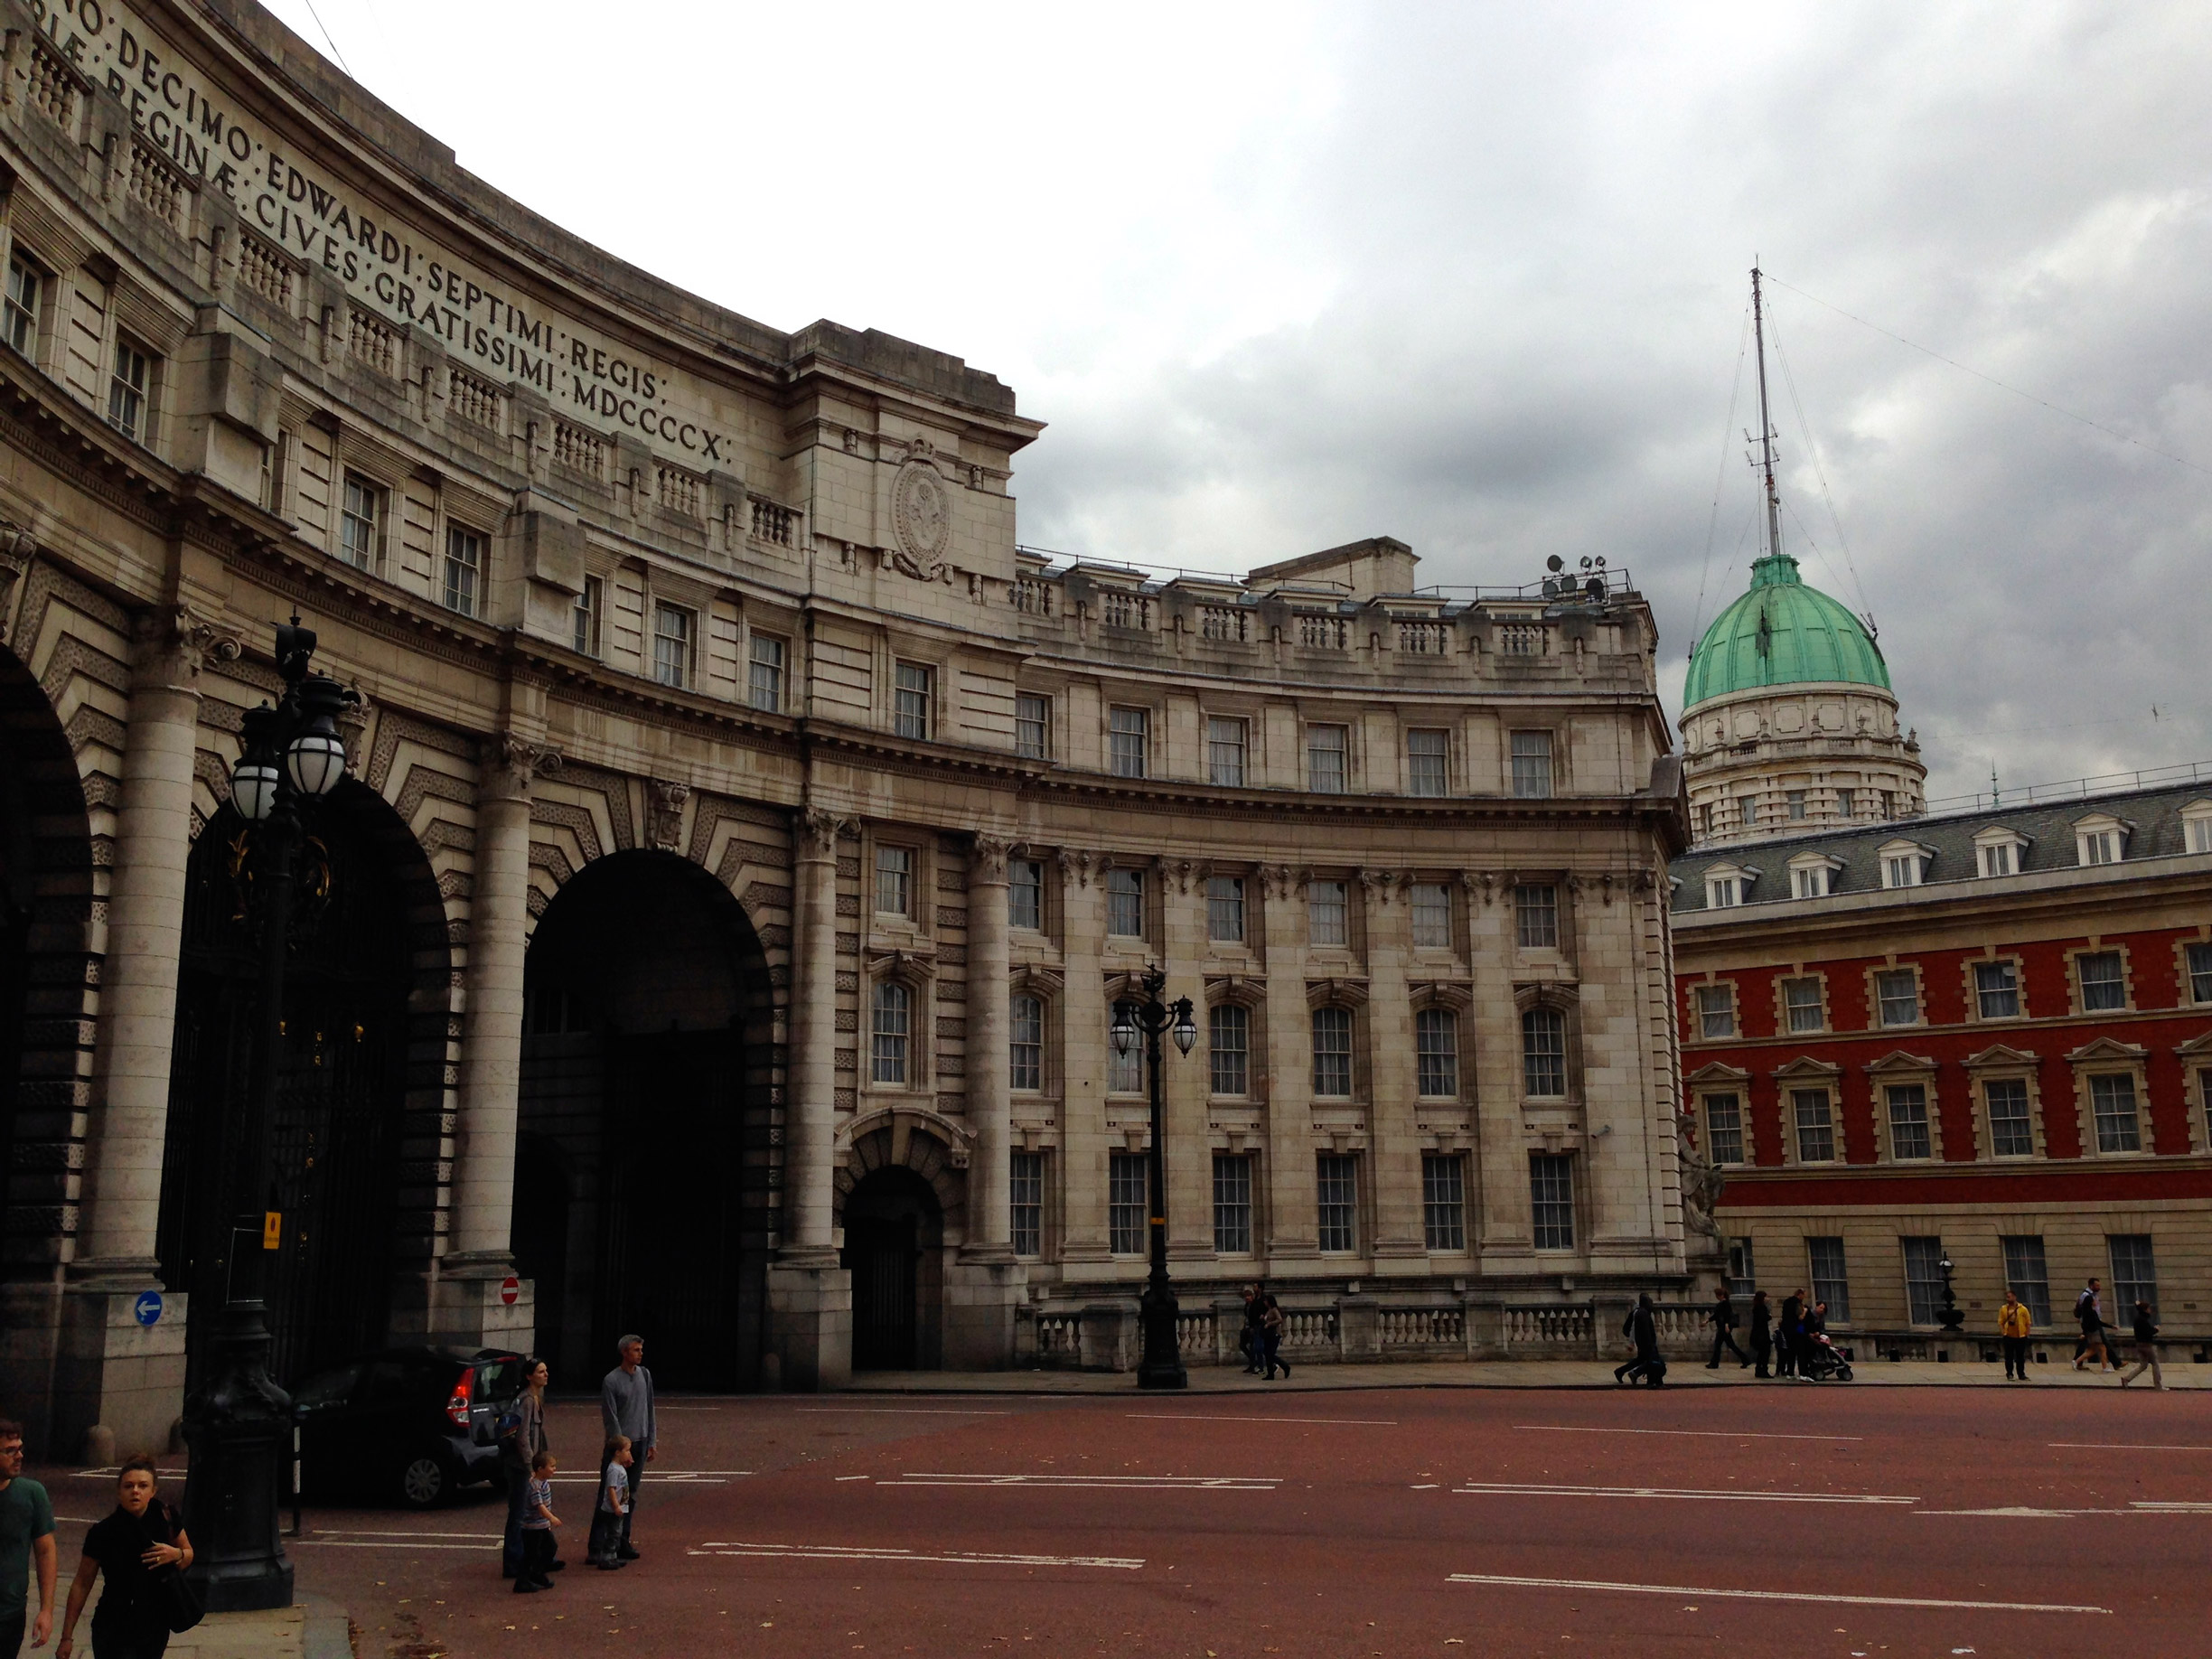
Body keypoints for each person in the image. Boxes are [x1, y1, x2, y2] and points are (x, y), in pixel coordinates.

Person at [54, 1454, 192, 1659]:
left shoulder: (167, 1518)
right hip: (112, 1624)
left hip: (154, 1623)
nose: (135, 1491)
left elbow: (189, 1553)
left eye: (143, 1486)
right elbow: (82, 1583)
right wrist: (67, 1636)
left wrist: (176, 1554)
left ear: (153, 1491)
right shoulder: (103, 1532)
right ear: (119, 1492)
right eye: (128, 1486)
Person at [0, 1420, 56, 1659]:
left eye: (20, 1448)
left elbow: (45, 1552)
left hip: (9, 1616)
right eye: (10, 1450)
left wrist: (46, 1610)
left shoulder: (32, 1493)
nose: (19, 1455)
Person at [600, 1335, 656, 1561]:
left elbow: (649, 1408)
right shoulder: (611, 1380)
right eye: (635, 1350)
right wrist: (620, 1448)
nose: (640, 1353)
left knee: (630, 1496)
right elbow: (610, 1417)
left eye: (641, 1349)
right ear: (624, 1352)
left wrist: (652, 1440)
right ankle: (599, 1545)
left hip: (640, 1441)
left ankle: (622, 1540)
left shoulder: (645, 1375)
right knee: (610, 1494)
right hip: (621, 1446)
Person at [501, 1357, 555, 1581]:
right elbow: (523, 1436)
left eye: (545, 1370)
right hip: (521, 1464)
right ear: (529, 1376)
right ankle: (514, 1562)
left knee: (527, 1511)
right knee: (520, 1513)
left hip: (525, 1462)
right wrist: (530, 1465)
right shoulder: (526, 1401)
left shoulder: (535, 1396)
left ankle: (534, 1558)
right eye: (541, 1371)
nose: (545, 1374)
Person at [514, 1451, 560, 1594]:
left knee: (550, 1548)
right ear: (540, 1469)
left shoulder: (543, 1483)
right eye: (551, 1466)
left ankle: (537, 1573)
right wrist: (551, 1518)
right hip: (532, 1528)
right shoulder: (535, 1487)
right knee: (530, 1554)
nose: (554, 1469)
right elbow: (539, 1506)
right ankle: (522, 1581)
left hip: (541, 1526)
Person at [589, 1437, 634, 1570]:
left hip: (619, 1506)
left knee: (616, 1533)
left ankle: (612, 1556)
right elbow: (611, 1489)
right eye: (627, 1451)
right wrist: (616, 1506)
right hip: (613, 1509)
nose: (629, 1454)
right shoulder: (614, 1470)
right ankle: (607, 1558)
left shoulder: (618, 1467)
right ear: (617, 1452)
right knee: (613, 1533)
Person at [1615, 1293, 1663, 1386]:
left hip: (1644, 1342)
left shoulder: (1642, 1312)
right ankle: (1640, 1376)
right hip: (1644, 1342)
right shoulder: (1639, 1313)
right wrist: (1631, 1343)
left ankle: (1620, 1371)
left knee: (1641, 1360)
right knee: (1652, 1361)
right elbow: (1634, 1328)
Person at [2120, 1300, 2164, 1391]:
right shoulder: (2143, 1320)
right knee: (2155, 1364)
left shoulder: (2138, 1319)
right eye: (2148, 1308)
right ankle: (2158, 1386)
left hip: (2139, 1344)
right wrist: (2156, 1330)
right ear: (2145, 1310)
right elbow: (2148, 1333)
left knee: (2143, 1365)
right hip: (2147, 1345)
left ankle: (2127, 1379)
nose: (2150, 1310)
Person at [2073, 1279, 2114, 1373]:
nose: (2096, 1302)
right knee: (2102, 1348)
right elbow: (2088, 1322)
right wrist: (2084, 1333)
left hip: (2092, 1330)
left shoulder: (2091, 1311)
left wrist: (2111, 1326)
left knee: (2092, 1350)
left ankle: (2076, 1361)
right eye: (2097, 1285)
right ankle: (2105, 1368)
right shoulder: (2087, 1301)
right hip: (2094, 1331)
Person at [1705, 1285, 1748, 1370]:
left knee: (1719, 1345)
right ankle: (1745, 1359)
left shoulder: (1725, 1304)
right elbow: (1717, 1316)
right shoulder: (1722, 1304)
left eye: (1717, 1295)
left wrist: (1727, 1325)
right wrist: (1707, 1321)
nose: (1716, 1297)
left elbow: (1727, 1315)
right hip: (1723, 1327)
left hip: (1723, 1327)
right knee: (1729, 1345)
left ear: (1721, 1295)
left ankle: (1714, 1363)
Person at [1998, 1290, 2033, 1382]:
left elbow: (2028, 1322)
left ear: (2015, 1297)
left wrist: (2026, 1334)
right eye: (2007, 1297)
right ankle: (2009, 1373)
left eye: (2009, 1297)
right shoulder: (2004, 1309)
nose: (2008, 1299)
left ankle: (2021, 1374)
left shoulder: (2023, 1309)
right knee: (2009, 1356)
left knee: (2020, 1357)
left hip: (2020, 1336)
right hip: (2008, 1336)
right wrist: (2003, 1333)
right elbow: (2000, 1322)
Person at [1261, 1294, 1291, 1381]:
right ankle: (1270, 1374)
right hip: (1268, 1334)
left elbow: (1279, 1319)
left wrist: (1269, 1324)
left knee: (1270, 1354)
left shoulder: (1274, 1310)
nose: (1264, 1302)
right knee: (1267, 1354)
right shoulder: (1268, 1310)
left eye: (1266, 1301)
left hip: (1274, 1334)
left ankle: (1285, 1366)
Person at [1239, 1285, 1266, 1375]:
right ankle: (1253, 1362)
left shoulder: (1255, 1305)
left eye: (1248, 1296)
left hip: (1253, 1328)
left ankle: (1254, 1364)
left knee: (1253, 1346)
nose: (1247, 1298)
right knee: (1242, 1345)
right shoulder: (1247, 1306)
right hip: (1247, 1327)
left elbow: (1255, 1317)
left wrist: (1253, 1327)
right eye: (1245, 1297)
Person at [1776, 1289, 1803, 1380]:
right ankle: (1791, 1372)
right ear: (1800, 1294)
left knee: (1789, 1350)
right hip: (1795, 1329)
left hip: (1786, 1328)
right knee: (1795, 1351)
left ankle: (1788, 1372)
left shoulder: (1787, 1302)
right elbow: (1800, 1318)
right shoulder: (1797, 1303)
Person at [1748, 1290, 1773, 1380]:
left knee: (1761, 1354)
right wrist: (1769, 1316)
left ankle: (1758, 1370)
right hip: (1762, 1334)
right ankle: (1764, 1371)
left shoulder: (1756, 1307)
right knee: (1765, 1353)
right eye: (1766, 1297)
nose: (1767, 1298)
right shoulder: (1762, 1307)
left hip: (1757, 1333)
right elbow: (1764, 1318)